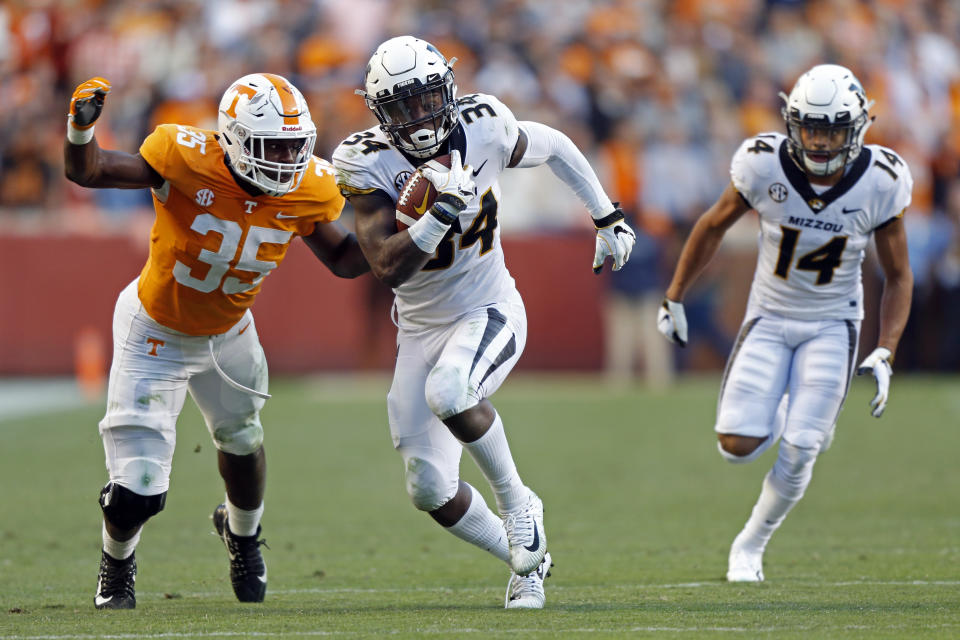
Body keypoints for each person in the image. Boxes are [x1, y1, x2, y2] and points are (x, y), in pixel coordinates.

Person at [332, 36, 636, 609]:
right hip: (419, 328)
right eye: (402, 107)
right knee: (428, 489)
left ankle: (519, 503)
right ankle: (527, 563)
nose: (419, 117)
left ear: (447, 90)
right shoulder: (364, 159)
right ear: (379, 114)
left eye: (426, 99)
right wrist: (439, 214)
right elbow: (386, 267)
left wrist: (607, 215)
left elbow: (555, 145)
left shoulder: (485, 122)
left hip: (489, 307)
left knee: (452, 390)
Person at [63, 74, 369, 609]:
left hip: (229, 333)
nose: (284, 159)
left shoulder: (310, 187)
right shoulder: (184, 157)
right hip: (154, 329)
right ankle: (116, 563)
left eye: (294, 146)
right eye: (271, 145)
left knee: (244, 441)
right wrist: (80, 131)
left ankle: (243, 535)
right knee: (138, 489)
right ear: (232, 138)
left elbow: (345, 260)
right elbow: (88, 172)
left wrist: (404, 227)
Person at [656, 64, 913, 581]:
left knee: (799, 449)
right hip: (769, 316)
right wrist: (675, 296)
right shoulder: (762, 163)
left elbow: (899, 274)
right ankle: (798, 409)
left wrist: (885, 347)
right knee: (734, 447)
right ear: (792, 123)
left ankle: (750, 545)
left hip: (833, 323)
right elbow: (712, 226)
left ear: (858, 127)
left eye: (832, 129)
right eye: (811, 127)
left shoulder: (882, 180)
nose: (819, 142)